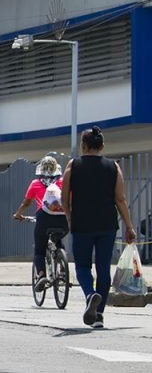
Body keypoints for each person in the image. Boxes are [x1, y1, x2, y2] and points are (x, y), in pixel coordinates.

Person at [62, 127, 137, 328]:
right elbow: (120, 199)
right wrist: (129, 227)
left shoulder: (73, 165)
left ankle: (90, 295)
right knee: (103, 269)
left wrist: (70, 217)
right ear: (102, 146)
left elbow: (64, 197)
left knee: (82, 267)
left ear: (83, 145)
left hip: (82, 223)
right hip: (106, 225)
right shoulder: (113, 167)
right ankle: (99, 314)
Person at [13, 156, 68, 290]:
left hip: (44, 218)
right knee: (58, 240)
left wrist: (18, 214)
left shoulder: (35, 183)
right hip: (63, 219)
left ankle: (42, 275)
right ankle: (62, 268)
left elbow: (26, 203)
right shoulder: (63, 182)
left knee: (39, 249)